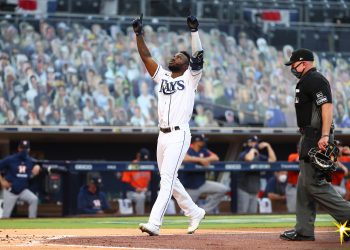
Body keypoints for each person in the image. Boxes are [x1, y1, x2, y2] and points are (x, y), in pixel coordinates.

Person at [133, 14, 205, 236]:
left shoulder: (191, 78)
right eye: (174, 56)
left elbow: (199, 55)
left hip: (179, 134)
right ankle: (193, 211)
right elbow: (146, 56)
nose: (174, 58)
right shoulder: (163, 77)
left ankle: (155, 223)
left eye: (179, 57)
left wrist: (194, 32)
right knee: (170, 178)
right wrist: (138, 34)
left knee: (165, 180)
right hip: (162, 136)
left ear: (186, 64)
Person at [280, 48, 350, 241]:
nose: (292, 68)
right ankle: (304, 230)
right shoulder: (306, 81)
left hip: (317, 134)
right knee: (304, 183)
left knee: (313, 184)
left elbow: (326, 107)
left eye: (294, 64)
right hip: (310, 134)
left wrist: (325, 135)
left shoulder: (315, 79)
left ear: (304, 63)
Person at [181, 134, 229, 214]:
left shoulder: (203, 150)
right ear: (196, 141)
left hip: (202, 183)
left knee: (222, 189)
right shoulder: (187, 148)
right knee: (185, 213)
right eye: (201, 141)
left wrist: (204, 159)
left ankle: (205, 211)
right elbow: (184, 157)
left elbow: (216, 157)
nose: (203, 142)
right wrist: (200, 160)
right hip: (190, 186)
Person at [0, 140, 40, 218]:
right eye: (22, 148)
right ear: (19, 148)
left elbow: (34, 170)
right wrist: (2, 182)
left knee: (34, 199)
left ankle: (32, 223)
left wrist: (37, 167)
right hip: (10, 191)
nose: (24, 150)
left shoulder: (30, 161)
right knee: (5, 216)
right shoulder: (11, 159)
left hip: (22, 190)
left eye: (26, 148)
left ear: (29, 150)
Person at [237, 135, 277, 213]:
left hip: (255, 190)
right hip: (244, 189)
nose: (256, 143)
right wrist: (252, 150)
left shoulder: (259, 156)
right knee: (242, 215)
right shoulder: (243, 153)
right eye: (253, 142)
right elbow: (248, 159)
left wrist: (268, 146)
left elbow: (273, 160)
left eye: (256, 142)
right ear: (249, 143)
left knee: (252, 215)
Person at [121, 148, 151, 215]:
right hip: (132, 192)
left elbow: (151, 182)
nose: (144, 161)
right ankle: (140, 217)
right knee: (140, 197)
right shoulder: (131, 165)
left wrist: (147, 188)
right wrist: (135, 189)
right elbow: (125, 183)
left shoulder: (148, 165)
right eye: (142, 159)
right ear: (138, 155)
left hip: (145, 191)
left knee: (159, 195)